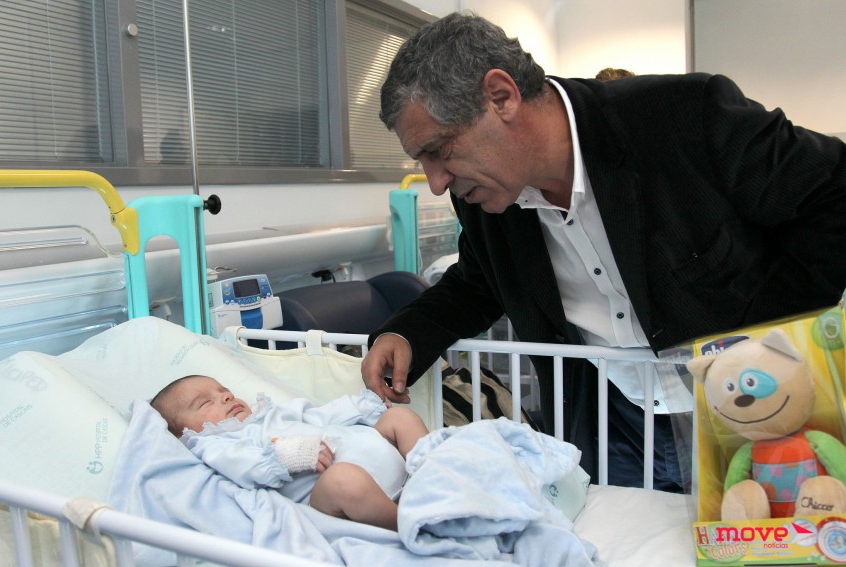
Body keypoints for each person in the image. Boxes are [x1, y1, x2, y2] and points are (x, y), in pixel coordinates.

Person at [361, 11, 846, 492]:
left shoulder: (684, 117)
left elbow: (834, 192)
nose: (436, 182)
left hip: (750, 400)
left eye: (439, 150)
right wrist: (407, 333)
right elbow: (480, 281)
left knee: (761, 526)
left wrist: (775, 328)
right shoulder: (486, 195)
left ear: (501, 96)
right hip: (611, 417)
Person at [151, 375, 428, 530]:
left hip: (396, 468)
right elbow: (242, 465)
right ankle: (410, 525)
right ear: (185, 433)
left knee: (400, 419)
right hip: (332, 496)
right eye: (205, 402)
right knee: (343, 479)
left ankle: (433, 478)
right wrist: (287, 455)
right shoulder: (215, 443)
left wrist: (364, 406)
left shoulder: (274, 413)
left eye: (225, 391)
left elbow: (323, 416)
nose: (225, 396)